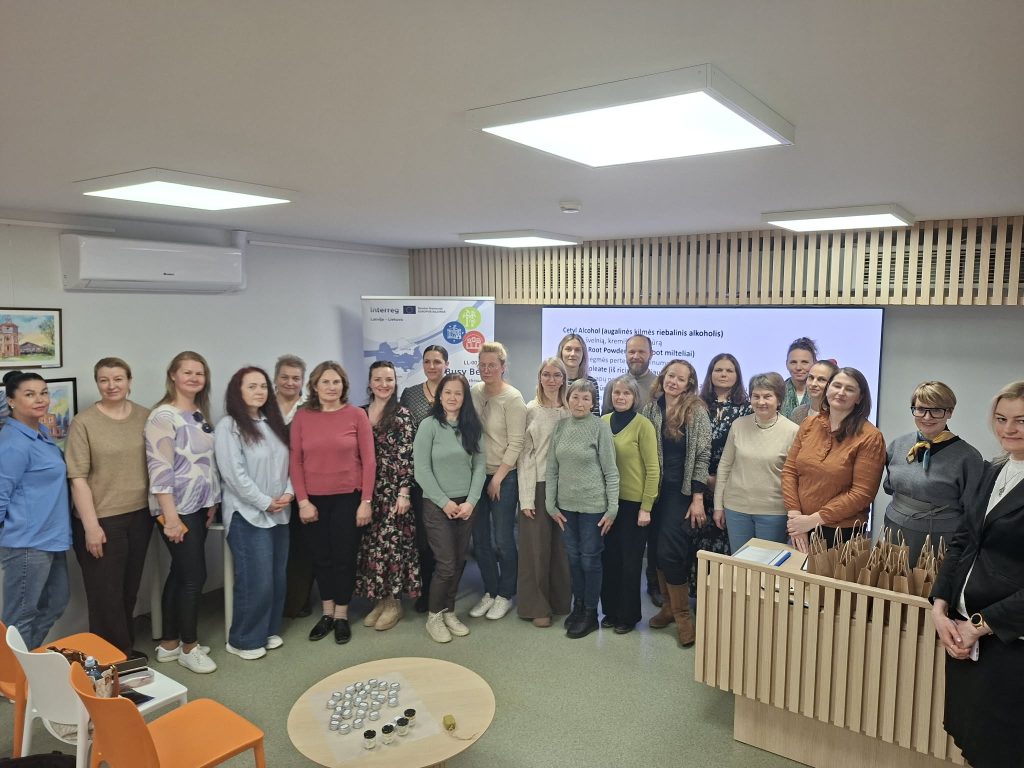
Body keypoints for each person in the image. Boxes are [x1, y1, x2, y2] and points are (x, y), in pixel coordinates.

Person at [931, 380, 1024, 768]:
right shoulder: (995, 469)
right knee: (972, 738)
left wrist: (981, 625)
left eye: (1021, 420)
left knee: (1003, 746)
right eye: (1001, 419)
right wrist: (940, 605)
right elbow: (964, 539)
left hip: (1008, 639)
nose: (1009, 429)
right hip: (964, 630)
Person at [66, 357, 151, 656]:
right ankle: (110, 660)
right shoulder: (84, 422)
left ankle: (123, 653)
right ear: (97, 383)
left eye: (118, 378)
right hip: (102, 519)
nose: (111, 385)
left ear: (129, 380)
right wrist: (91, 526)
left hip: (140, 515)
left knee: (129, 590)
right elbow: (77, 477)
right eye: (104, 380)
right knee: (106, 595)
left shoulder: (145, 416)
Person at [289, 361, 375, 645]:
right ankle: (326, 614)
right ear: (315, 386)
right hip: (313, 501)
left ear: (343, 386)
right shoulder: (302, 417)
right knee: (321, 558)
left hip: (348, 498)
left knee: (344, 558)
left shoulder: (356, 415)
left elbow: (369, 460)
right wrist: (302, 501)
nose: (331, 387)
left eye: (336, 382)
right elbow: (295, 462)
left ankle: (341, 615)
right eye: (325, 382)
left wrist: (365, 500)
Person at [145, 351, 220, 674]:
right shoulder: (163, 417)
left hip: (198, 504)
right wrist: (171, 518)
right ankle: (190, 647)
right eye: (187, 372)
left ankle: (169, 644)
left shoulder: (198, 412)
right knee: (194, 577)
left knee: (180, 573)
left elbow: (205, 463)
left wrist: (212, 500)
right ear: (172, 375)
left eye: (199, 373)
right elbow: (159, 470)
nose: (193, 378)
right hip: (175, 508)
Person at [214, 366, 292, 660]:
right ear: (238, 391)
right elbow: (233, 474)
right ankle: (243, 639)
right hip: (248, 514)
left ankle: (267, 630)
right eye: (251, 386)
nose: (259, 391)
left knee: (276, 576)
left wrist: (288, 493)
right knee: (255, 579)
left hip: (280, 512)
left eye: (262, 386)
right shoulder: (229, 427)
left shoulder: (274, 422)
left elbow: (290, 461)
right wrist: (264, 501)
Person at [640, 359, 712, 648]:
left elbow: (703, 455)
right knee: (656, 552)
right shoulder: (649, 409)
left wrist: (697, 498)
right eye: (671, 376)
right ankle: (668, 607)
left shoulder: (696, 410)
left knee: (672, 552)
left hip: (680, 493)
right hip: (652, 491)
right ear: (663, 377)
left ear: (689, 384)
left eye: (681, 379)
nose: (674, 382)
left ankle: (683, 615)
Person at [0, 371, 71, 649]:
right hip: (27, 543)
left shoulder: (39, 431)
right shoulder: (12, 443)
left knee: (55, 603)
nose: (40, 399)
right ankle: (11, 681)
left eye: (43, 392)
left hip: (52, 537)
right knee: (19, 616)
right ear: (12, 401)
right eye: (29, 394)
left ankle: (26, 666)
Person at [414, 373, 486, 643]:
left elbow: (480, 467)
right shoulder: (429, 426)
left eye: (458, 393)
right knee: (445, 564)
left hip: (466, 505)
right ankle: (434, 616)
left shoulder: (471, 427)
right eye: (448, 392)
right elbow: (421, 470)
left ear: (465, 398)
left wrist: (471, 502)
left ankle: (449, 611)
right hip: (437, 506)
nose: (453, 397)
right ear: (439, 396)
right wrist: (444, 503)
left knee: (457, 563)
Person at [783, 367, 886, 552]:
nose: (840, 392)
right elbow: (790, 471)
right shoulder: (809, 424)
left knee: (824, 581)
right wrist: (795, 517)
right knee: (796, 580)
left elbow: (861, 494)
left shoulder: (870, 437)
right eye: (836, 385)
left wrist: (812, 521)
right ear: (828, 388)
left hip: (841, 531)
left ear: (860, 398)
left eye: (849, 389)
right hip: (800, 524)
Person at [547, 379, 619, 639]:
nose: (579, 403)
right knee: (574, 559)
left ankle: (591, 613)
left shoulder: (599, 428)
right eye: (575, 397)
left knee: (590, 560)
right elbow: (552, 469)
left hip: (593, 508)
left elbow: (611, 472)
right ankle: (577, 607)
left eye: (585, 399)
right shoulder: (560, 427)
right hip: (566, 507)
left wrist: (612, 509)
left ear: (593, 403)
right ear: (568, 399)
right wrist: (549, 503)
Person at [883, 381, 984, 564]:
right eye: (920, 409)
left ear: (950, 412)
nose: (927, 417)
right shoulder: (898, 445)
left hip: (939, 537)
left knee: (928, 587)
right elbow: (889, 487)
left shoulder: (968, 457)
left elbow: (972, 510)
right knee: (893, 585)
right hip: (895, 529)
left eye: (936, 410)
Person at [356, 361, 419, 631]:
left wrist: (404, 493)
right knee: (371, 547)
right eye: (378, 379)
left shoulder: (403, 414)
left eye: (389, 379)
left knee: (392, 548)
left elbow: (407, 456)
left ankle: (394, 603)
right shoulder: (358, 414)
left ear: (395, 383)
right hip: (366, 491)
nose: (384, 384)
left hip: (394, 491)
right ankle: (379, 600)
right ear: (370, 382)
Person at [601, 334, 661, 606]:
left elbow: (652, 467)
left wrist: (646, 506)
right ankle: (610, 611)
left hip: (634, 500)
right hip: (606, 501)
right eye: (617, 393)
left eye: (626, 393)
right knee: (609, 556)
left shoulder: (644, 423)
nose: (620, 396)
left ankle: (627, 613)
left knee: (630, 559)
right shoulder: (602, 421)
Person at [469, 342, 527, 621]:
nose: (487, 369)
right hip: (476, 476)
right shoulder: (474, 392)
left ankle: (505, 593)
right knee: (479, 539)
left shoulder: (513, 398)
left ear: (503, 367)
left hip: (504, 476)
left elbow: (516, 443)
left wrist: (498, 479)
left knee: (503, 539)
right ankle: (490, 591)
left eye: (492, 365)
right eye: (482, 365)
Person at [713, 372, 799, 552]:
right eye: (756, 396)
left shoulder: (793, 431)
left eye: (767, 396)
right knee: (741, 567)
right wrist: (718, 506)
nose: (761, 402)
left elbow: (796, 478)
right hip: (736, 509)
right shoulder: (738, 425)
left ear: (779, 400)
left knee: (767, 571)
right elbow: (725, 467)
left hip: (774, 513)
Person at [516, 358, 571, 627]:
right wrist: (526, 497)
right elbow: (524, 456)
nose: (551, 379)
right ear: (540, 378)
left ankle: (561, 601)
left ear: (564, 378)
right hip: (537, 485)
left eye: (556, 375)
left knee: (562, 549)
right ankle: (536, 606)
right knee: (536, 549)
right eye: (546, 375)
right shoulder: (530, 410)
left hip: (566, 488)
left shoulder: (572, 409)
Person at [693, 353, 752, 590]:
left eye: (729, 370)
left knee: (725, 539)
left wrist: (722, 481)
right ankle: (699, 594)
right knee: (698, 540)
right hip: (698, 483)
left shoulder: (746, 409)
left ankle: (723, 596)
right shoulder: (697, 405)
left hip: (730, 485)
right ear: (710, 374)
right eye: (718, 370)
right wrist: (702, 478)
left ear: (737, 375)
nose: (724, 374)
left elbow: (746, 449)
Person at [400, 344, 449, 612]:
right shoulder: (409, 394)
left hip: (450, 476)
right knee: (424, 536)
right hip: (421, 476)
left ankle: (444, 591)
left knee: (445, 539)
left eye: (437, 361)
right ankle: (425, 589)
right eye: (428, 361)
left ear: (446, 364)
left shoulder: (454, 390)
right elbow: (405, 433)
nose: (432, 366)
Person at [275, 354, 315, 620]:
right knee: (276, 550)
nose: (290, 382)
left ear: (303, 381)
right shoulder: (262, 407)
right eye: (285, 377)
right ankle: (274, 603)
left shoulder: (310, 409)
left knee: (302, 548)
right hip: (269, 490)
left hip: (303, 489)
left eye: (296, 378)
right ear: (276, 379)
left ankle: (296, 602)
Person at [601, 334, 656, 415]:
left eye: (641, 352)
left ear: (651, 354)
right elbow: (604, 423)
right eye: (632, 352)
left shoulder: (660, 387)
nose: (636, 356)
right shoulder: (612, 385)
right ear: (625, 354)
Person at [557, 333, 599, 414]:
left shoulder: (591, 382)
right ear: (561, 352)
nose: (572, 354)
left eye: (577, 350)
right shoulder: (554, 382)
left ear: (583, 354)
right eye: (568, 349)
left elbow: (595, 415)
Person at [789, 359, 838, 424]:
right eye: (811, 378)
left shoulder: (838, 416)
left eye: (821, 379)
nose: (813, 384)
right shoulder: (798, 412)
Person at [780, 337, 817, 419]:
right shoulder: (777, 392)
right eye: (793, 362)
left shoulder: (823, 394)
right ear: (786, 364)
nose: (798, 367)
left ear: (815, 363)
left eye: (804, 362)